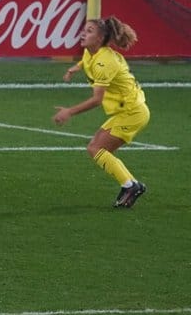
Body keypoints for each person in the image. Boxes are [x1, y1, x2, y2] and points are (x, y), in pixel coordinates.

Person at [54, 15, 150, 208]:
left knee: (96, 148)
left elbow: (97, 100)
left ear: (100, 39)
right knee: (99, 149)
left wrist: (70, 112)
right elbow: (86, 61)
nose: (83, 33)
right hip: (128, 110)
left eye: (89, 31)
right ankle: (130, 185)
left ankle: (131, 185)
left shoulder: (105, 62)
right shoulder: (92, 52)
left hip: (132, 112)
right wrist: (75, 68)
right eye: (85, 29)